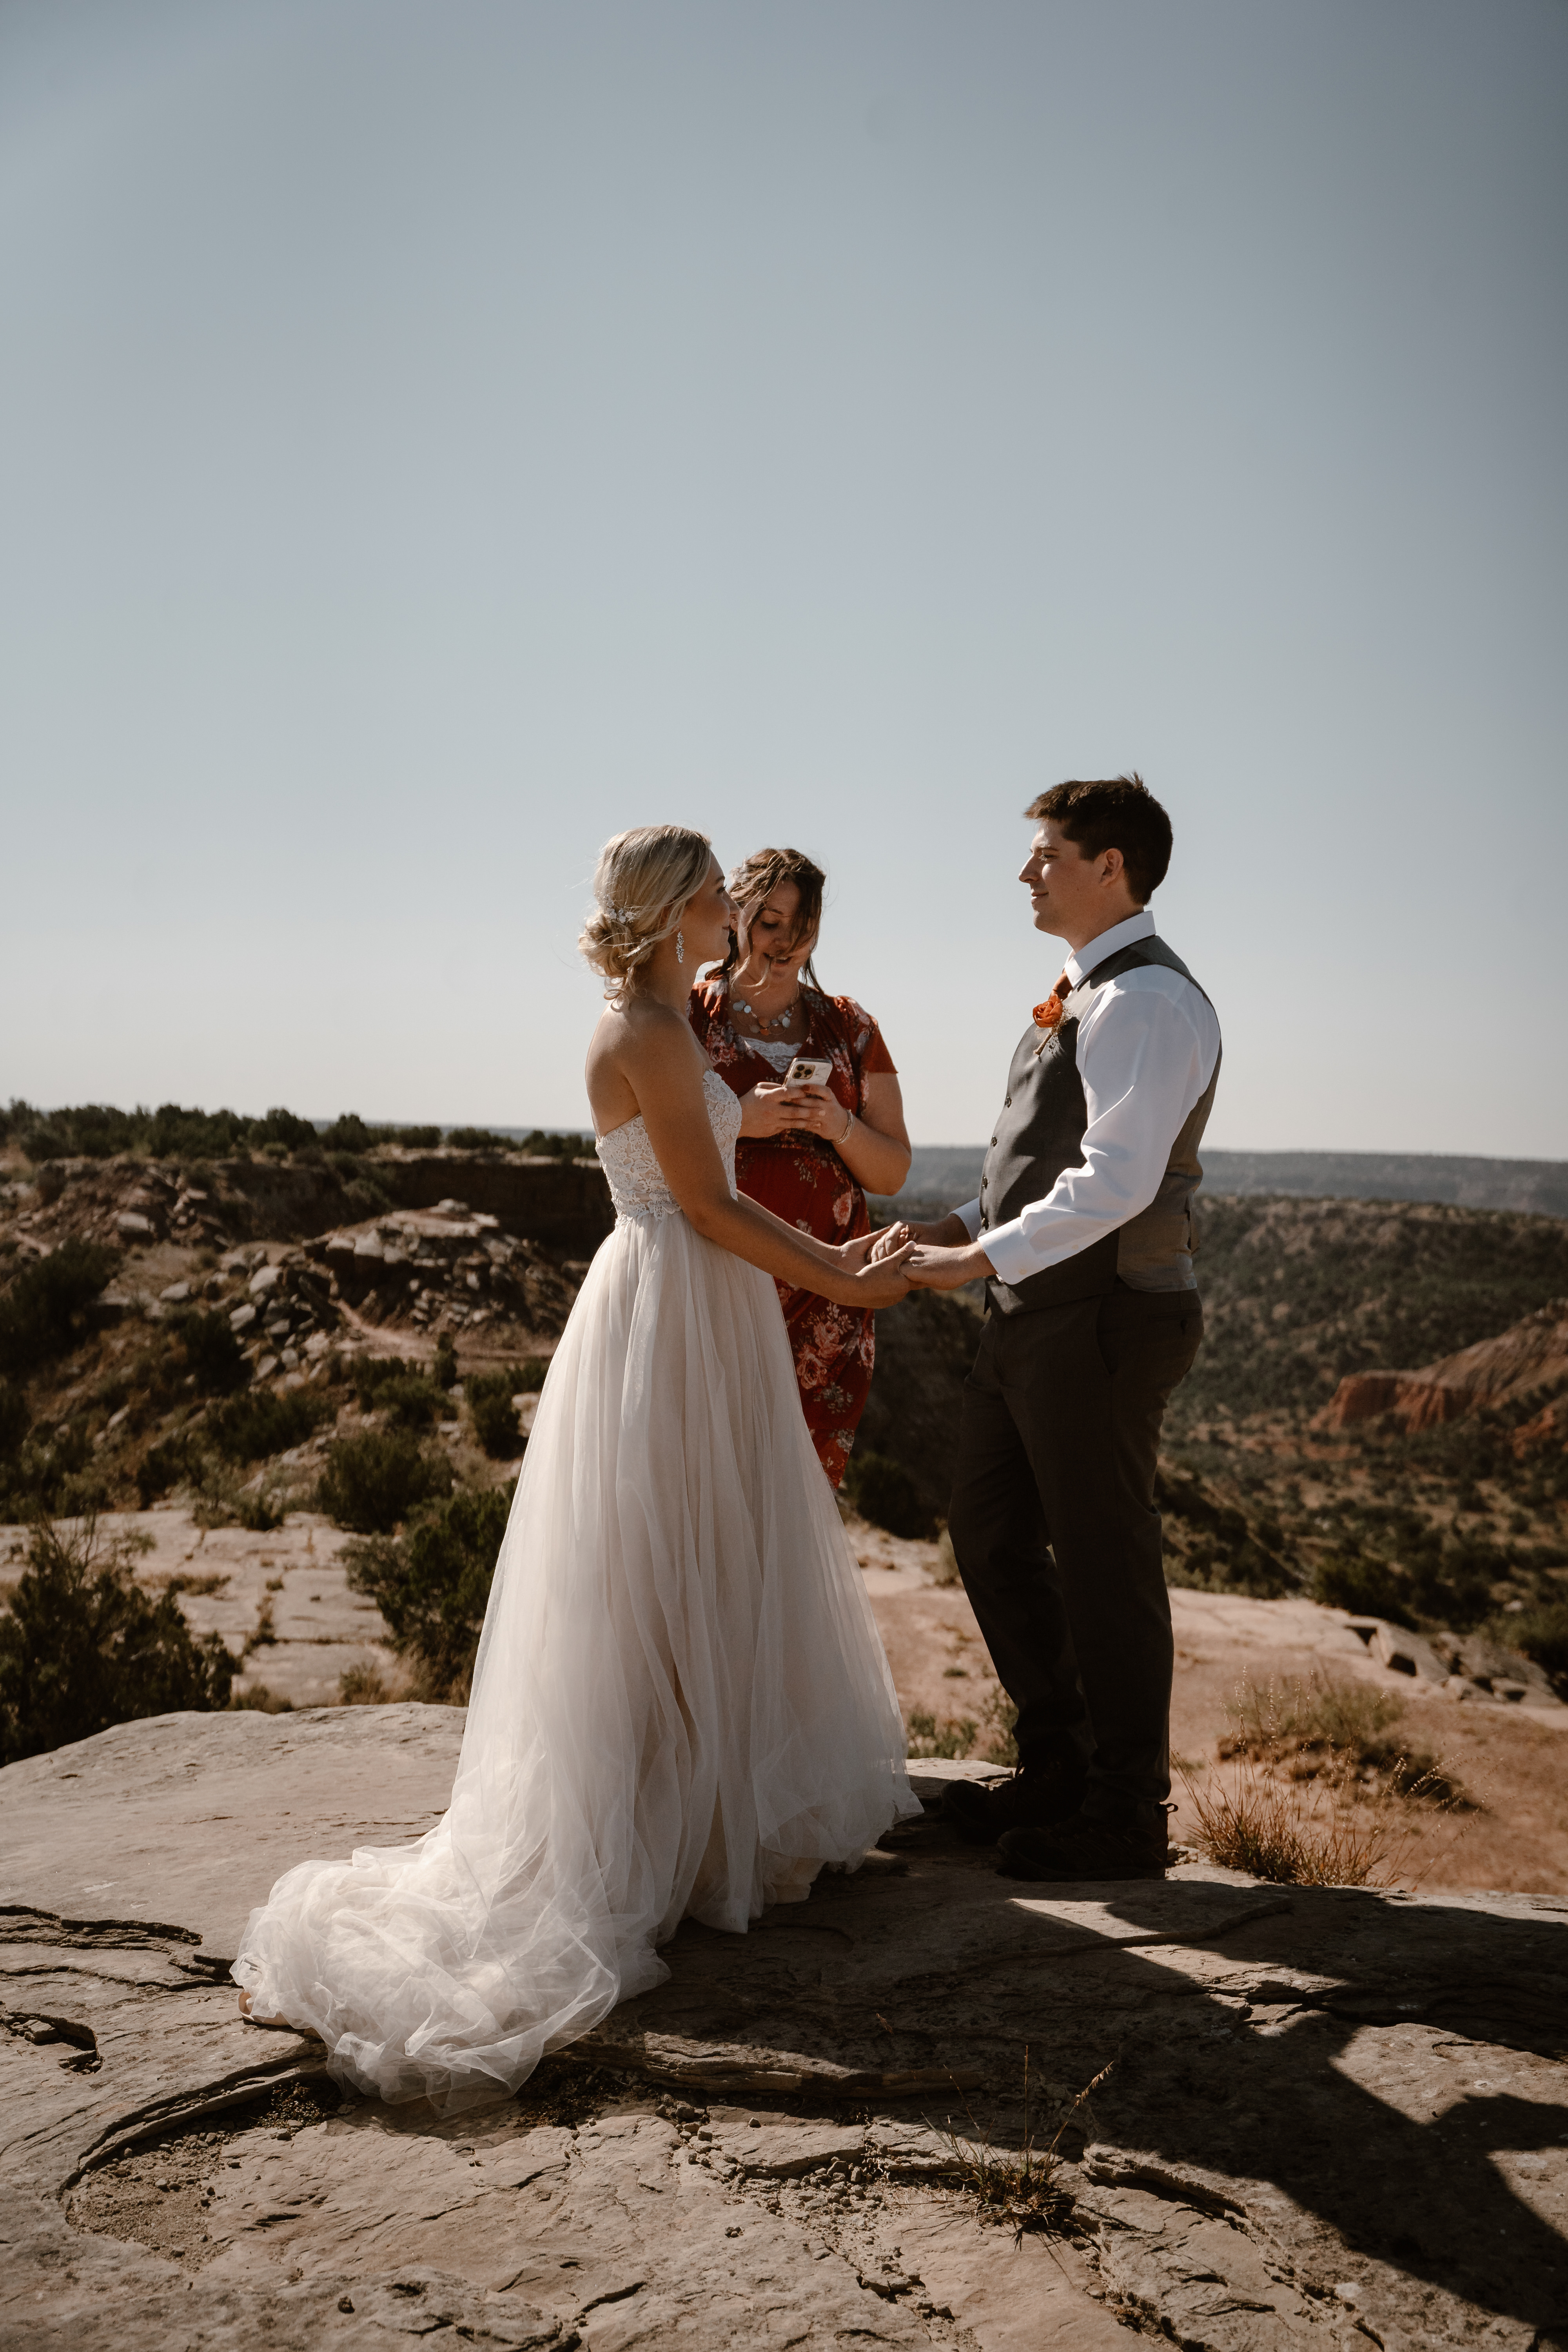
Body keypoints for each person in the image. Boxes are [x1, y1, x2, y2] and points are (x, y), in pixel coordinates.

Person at [234, 826, 918, 2107]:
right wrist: (842, 1272)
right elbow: (708, 1207)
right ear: (674, 913)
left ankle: (698, 1827)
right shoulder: (651, 1035)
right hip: (675, 1302)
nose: (736, 909)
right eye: (719, 894)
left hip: (699, 1307)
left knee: (707, 1564)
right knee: (659, 1576)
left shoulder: (667, 1022)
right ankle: (651, 1846)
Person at [877, 775, 1220, 1884]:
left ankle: (1128, 1811)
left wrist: (973, 1260)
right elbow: (1045, 1169)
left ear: (1108, 866)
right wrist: (953, 1224)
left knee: (1107, 1560)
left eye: (1047, 854)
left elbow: (1115, 1183)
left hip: (1109, 1318)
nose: (1028, 872)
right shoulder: (1082, 989)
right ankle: (1061, 1764)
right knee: (986, 1532)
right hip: (1031, 1309)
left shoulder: (1149, 1003)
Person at [689, 848, 911, 1487]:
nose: (787, 943)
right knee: (711, 1482)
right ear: (736, 917)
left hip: (827, 1292)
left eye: (803, 926)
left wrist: (836, 1125)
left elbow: (892, 1173)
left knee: (798, 1491)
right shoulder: (687, 1017)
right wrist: (739, 1118)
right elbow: (645, 1138)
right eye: (770, 922)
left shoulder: (850, 1027)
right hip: (719, 1275)